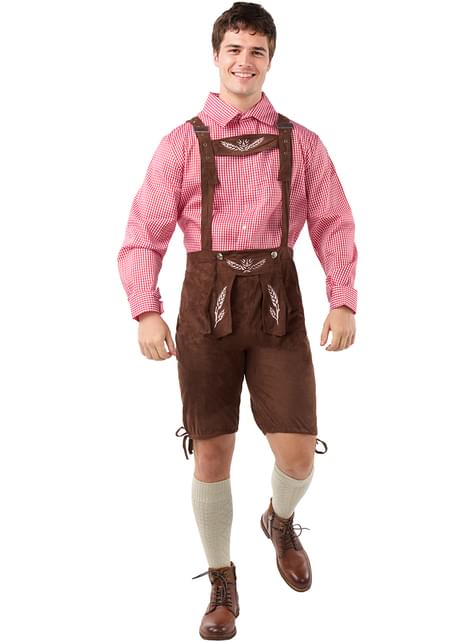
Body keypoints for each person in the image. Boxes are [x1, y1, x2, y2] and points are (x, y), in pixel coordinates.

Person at [117, 2, 358, 639]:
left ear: (270, 60)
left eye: (257, 51)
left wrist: (342, 296)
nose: (244, 62)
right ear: (216, 56)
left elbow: (333, 222)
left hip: (279, 300)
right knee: (212, 452)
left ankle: (279, 520)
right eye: (235, 49)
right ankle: (222, 578)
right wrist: (146, 309)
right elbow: (144, 232)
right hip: (206, 304)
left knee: (298, 453)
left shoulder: (302, 142)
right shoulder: (181, 143)